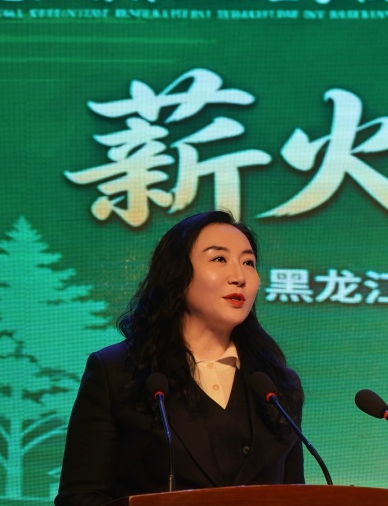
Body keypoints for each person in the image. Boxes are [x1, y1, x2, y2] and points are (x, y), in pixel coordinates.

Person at [55, 211, 304, 506]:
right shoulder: (116, 372)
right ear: (177, 273)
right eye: (219, 259)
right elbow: (80, 498)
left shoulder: (277, 385)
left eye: (248, 263)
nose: (239, 277)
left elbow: (297, 496)